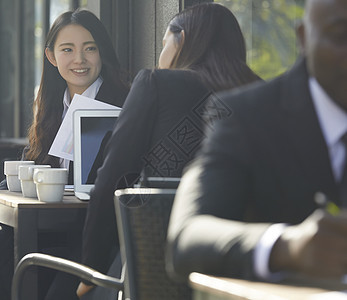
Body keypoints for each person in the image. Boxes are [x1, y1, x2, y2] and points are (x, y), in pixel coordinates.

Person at [77, 3, 260, 298]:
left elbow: (111, 182)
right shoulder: (260, 96)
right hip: (242, 277)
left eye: (164, 44)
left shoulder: (156, 83)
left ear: (182, 40)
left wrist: (90, 270)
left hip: (153, 273)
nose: (161, 57)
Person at [166, 0, 347, 284]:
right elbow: (187, 239)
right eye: (341, 36)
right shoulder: (245, 116)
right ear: (303, 37)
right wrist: (284, 246)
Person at [0, 9, 129, 300]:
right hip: (46, 231)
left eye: (90, 48)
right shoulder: (50, 105)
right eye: (67, 49)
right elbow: (34, 164)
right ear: (51, 56)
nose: (80, 59)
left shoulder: (125, 103)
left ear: (102, 52)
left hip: (97, 234)